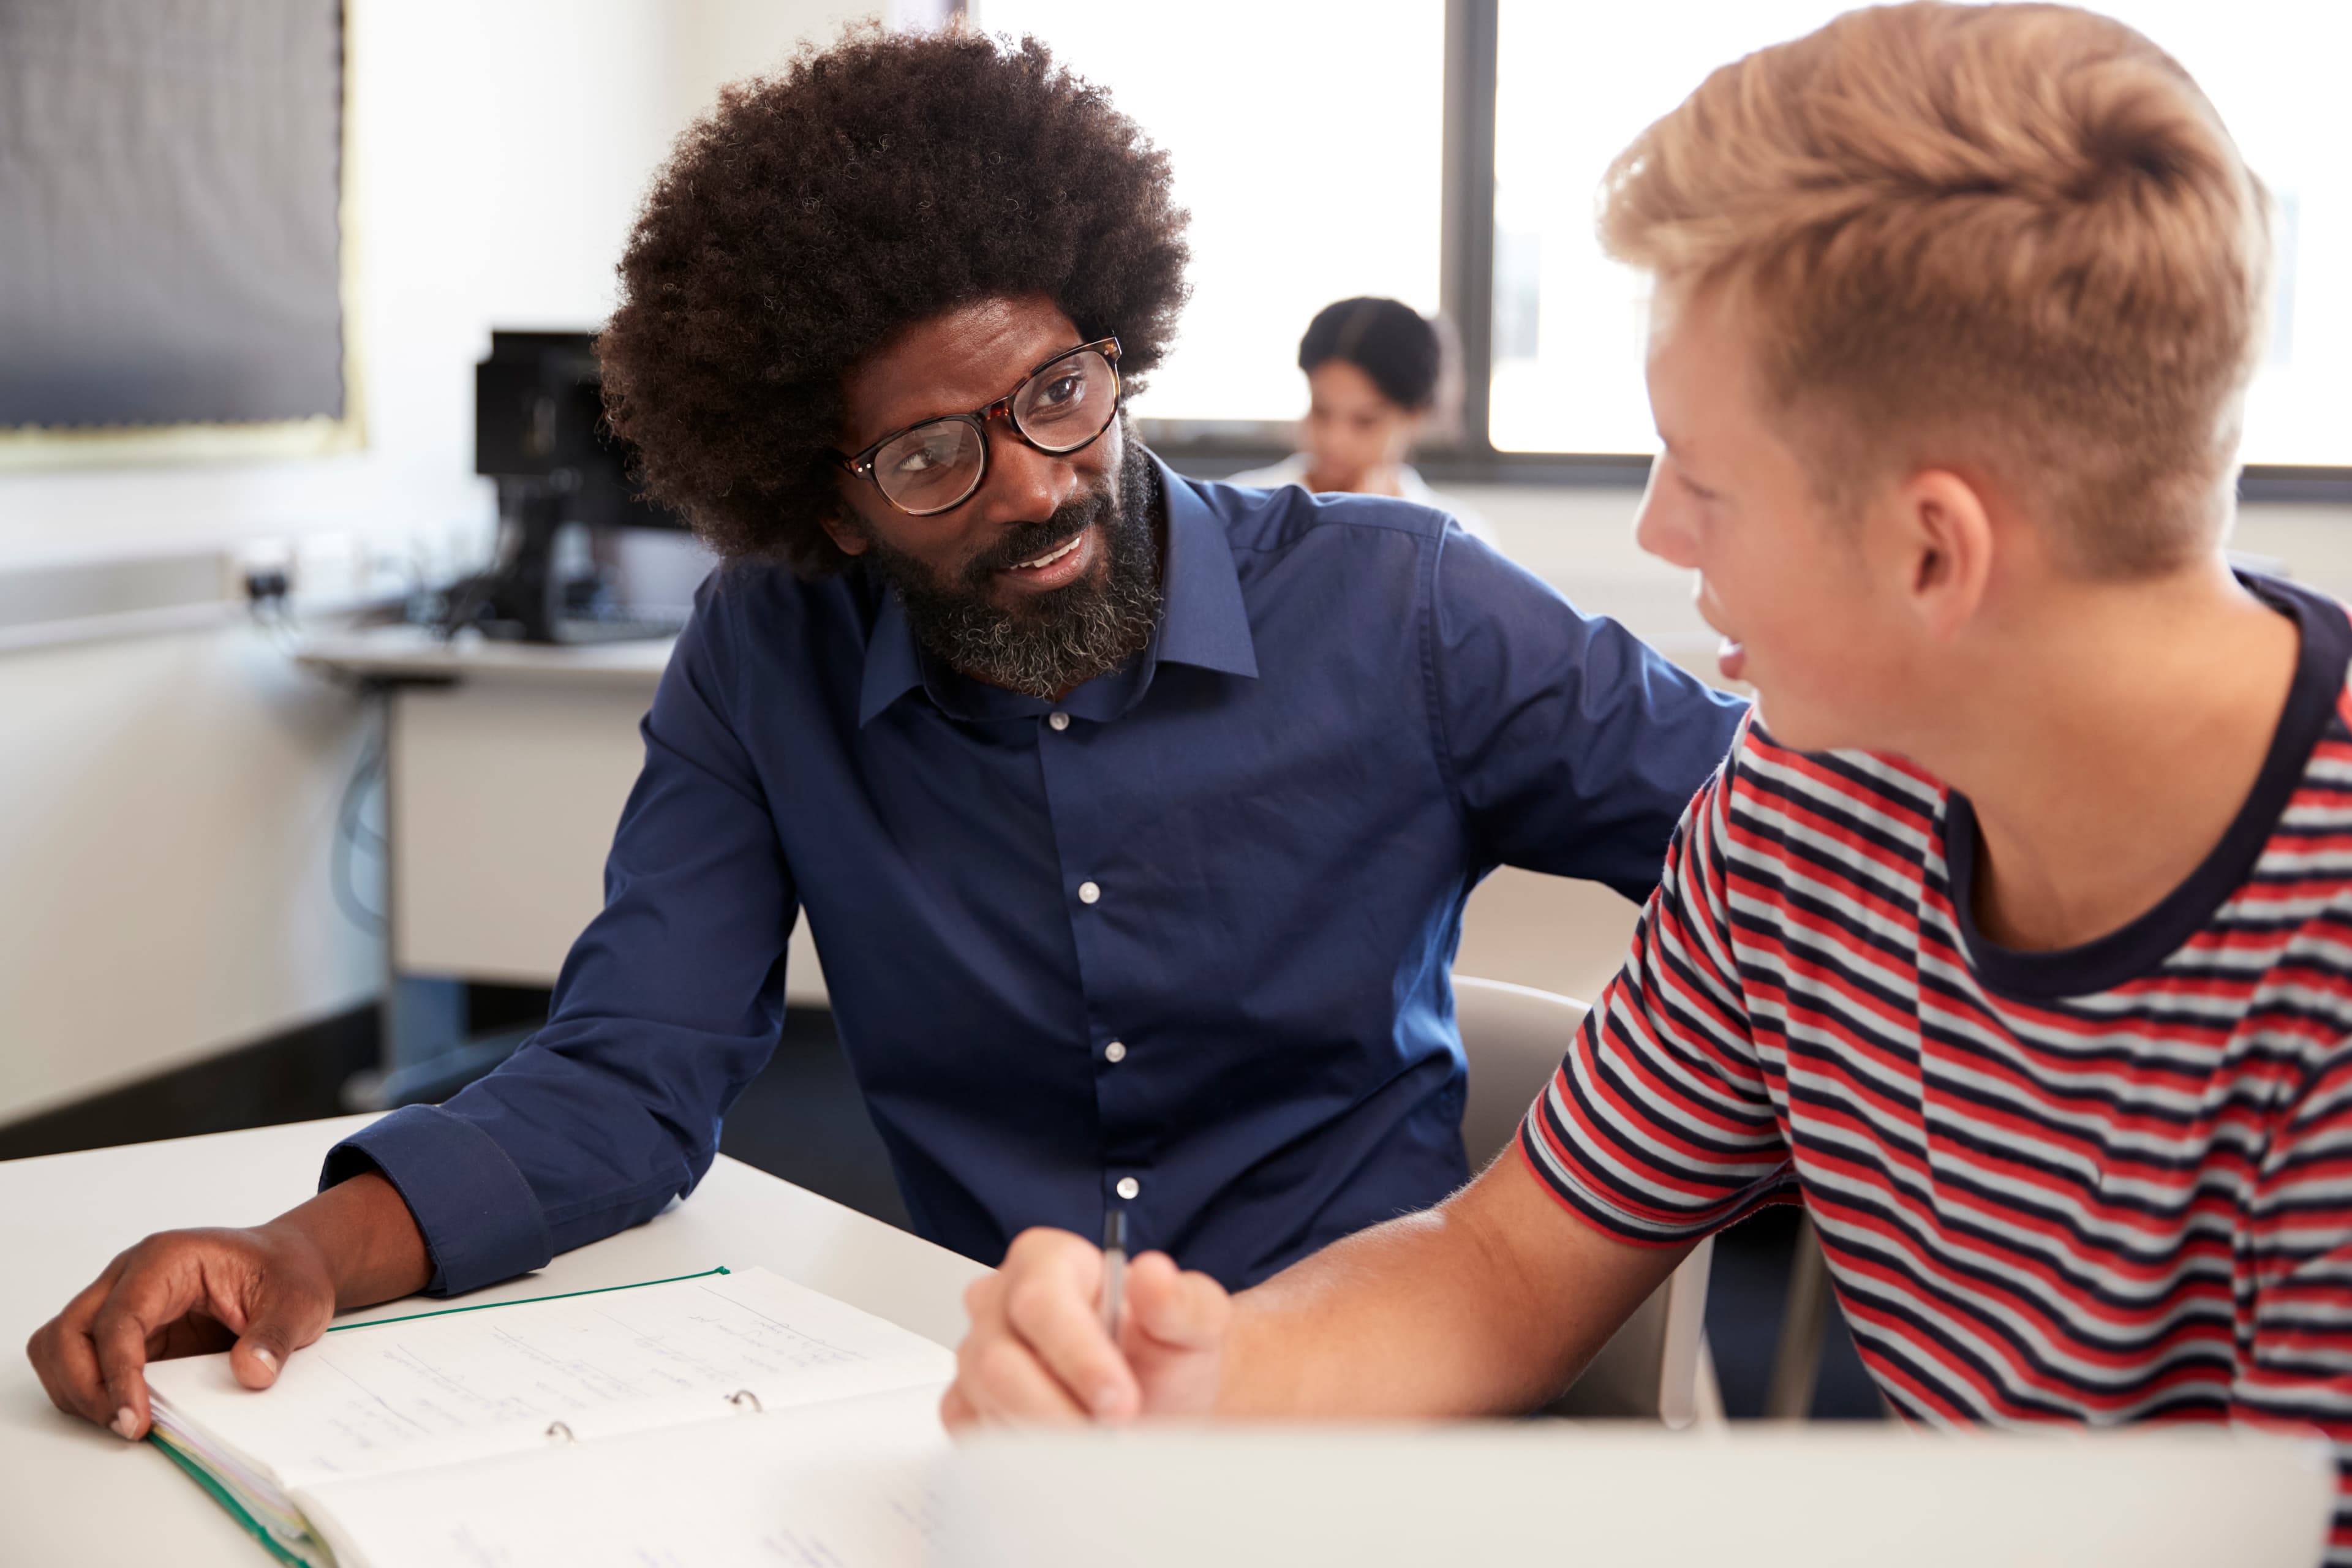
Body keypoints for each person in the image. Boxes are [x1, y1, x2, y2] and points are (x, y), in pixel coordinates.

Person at [26, 26, 1745, 1444]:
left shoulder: (1407, 607)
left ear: (1117, 341)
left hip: (1382, 1414)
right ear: (828, 508)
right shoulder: (768, 651)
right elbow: (635, 1070)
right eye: (932, 459)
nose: (1038, 486)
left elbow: (1785, 847)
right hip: (1002, 1416)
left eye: (1058, 393)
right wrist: (300, 1246)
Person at [948, 2, 2352, 1553]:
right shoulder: (1811, 798)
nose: (1655, 534)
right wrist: (1197, 1386)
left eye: (1701, 473)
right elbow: (1508, 1264)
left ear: (1929, 549)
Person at [1226, 298, 1494, 541]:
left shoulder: (1458, 535)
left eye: (1365, 421)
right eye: (1321, 411)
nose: (1334, 440)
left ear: (1414, 418)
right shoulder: (1241, 507)